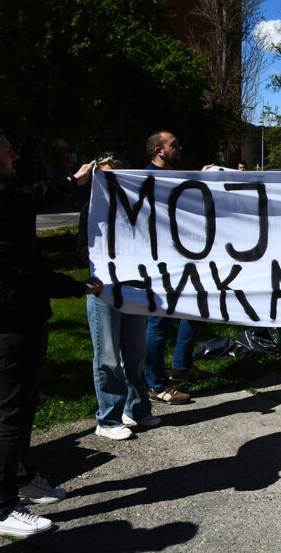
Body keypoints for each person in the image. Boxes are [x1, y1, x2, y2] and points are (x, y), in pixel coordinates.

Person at [0, 125, 102, 538]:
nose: (15, 155)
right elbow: (29, 273)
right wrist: (78, 287)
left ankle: (21, 479)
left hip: (20, 318)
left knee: (23, 407)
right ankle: (2, 510)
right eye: (7, 152)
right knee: (12, 413)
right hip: (7, 325)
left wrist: (72, 182)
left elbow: (30, 196)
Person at [78, 153, 160, 440]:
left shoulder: (135, 210)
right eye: (105, 176)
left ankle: (136, 409)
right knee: (108, 357)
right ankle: (108, 419)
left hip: (133, 290)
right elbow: (82, 249)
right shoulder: (90, 210)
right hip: (104, 290)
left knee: (135, 355)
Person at [143, 131, 203, 405]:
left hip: (186, 258)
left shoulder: (175, 176)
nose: (180, 148)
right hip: (161, 263)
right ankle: (156, 385)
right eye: (174, 145)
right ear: (159, 150)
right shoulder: (145, 178)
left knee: (195, 310)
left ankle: (181, 365)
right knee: (160, 322)